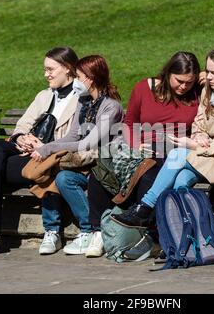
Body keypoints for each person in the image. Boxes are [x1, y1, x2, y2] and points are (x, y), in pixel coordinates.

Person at [111, 45, 214, 229]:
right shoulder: (208, 91)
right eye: (208, 71)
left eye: (213, 73)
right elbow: (198, 122)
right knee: (181, 180)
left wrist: (197, 146)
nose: (207, 76)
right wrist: (198, 137)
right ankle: (175, 233)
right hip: (208, 156)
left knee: (176, 155)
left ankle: (144, 208)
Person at [0, 47, 80, 257]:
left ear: (68, 69)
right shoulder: (44, 95)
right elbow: (23, 125)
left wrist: (43, 146)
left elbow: (75, 138)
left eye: (50, 69)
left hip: (48, 158)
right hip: (26, 152)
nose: (46, 74)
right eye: (44, 69)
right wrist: (21, 138)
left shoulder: (80, 98)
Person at [85, 51, 201, 257]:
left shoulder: (197, 94)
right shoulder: (144, 88)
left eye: (189, 82)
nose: (184, 87)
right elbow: (129, 123)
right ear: (167, 73)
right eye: (179, 81)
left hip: (175, 150)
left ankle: (151, 235)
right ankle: (97, 231)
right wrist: (137, 145)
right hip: (141, 148)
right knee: (99, 171)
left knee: (150, 173)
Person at [30, 55, 124, 256]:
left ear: (90, 78)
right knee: (60, 176)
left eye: (79, 76)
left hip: (105, 165)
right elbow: (73, 134)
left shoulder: (111, 106)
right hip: (85, 164)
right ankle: (77, 230)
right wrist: (46, 147)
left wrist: (47, 149)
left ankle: (89, 229)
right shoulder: (83, 101)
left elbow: (88, 143)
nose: (76, 81)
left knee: (59, 172)